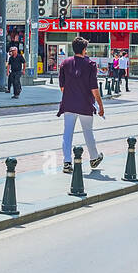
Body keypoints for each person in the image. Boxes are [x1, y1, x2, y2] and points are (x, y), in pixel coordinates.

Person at [57, 38, 104, 174]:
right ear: (84, 50)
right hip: (85, 105)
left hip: (69, 104)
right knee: (88, 132)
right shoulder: (90, 64)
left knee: (67, 134)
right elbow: (94, 89)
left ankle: (67, 162)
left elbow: (62, 87)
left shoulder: (65, 63)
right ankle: (94, 158)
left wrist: (72, 94)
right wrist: (100, 105)